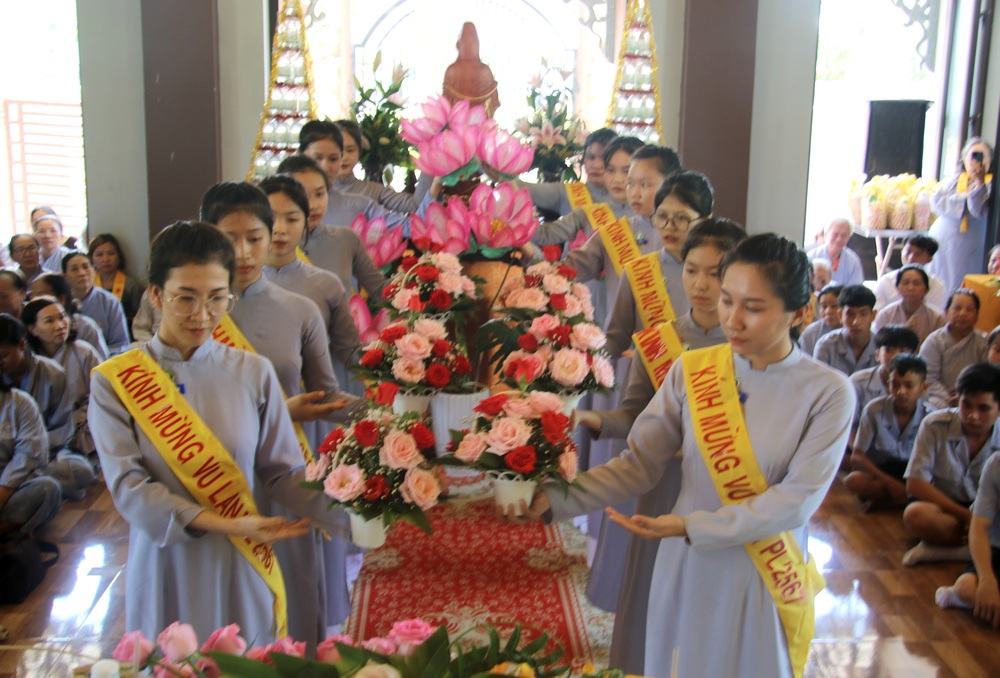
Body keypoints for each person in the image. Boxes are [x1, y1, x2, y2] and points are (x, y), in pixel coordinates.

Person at [502, 233, 854, 678]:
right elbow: (638, 464)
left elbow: (797, 500)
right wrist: (555, 499)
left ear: (799, 313)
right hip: (686, 561)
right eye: (728, 301)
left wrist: (692, 525)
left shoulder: (828, 392)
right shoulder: (694, 370)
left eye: (754, 307)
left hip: (759, 570)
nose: (733, 319)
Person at [89, 220, 348, 645]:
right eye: (185, 298)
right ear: (155, 294)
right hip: (165, 562)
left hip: (242, 558)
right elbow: (130, 489)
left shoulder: (252, 371)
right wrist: (227, 524)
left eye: (217, 298)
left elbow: (282, 472)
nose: (202, 314)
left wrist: (356, 509)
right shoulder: (116, 380)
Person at [574, 218, 746, 671]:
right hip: (665, 487)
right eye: (692, 270)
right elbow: (633, 418)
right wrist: (589, 417)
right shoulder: (660, 342)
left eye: (716, 272)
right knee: (654, 606)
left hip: (735, 491)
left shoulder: (752, 346)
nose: (701, 284)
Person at [200, 182, 355, 644]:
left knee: (289, 602)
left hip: (282, 475)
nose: (244, 252)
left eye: (255, 237)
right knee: (221, 610)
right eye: (230, 238)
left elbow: (328, 396)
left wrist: (398, 422)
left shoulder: (301, 309)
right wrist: (279, 409)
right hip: (207, 477)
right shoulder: (188, 312)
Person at [258, 174, 362, 395]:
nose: (279, 229)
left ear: (306, 221)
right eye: (270, 218)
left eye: (292, 219)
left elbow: (351, 354)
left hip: (314, 408)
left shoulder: (326, 285)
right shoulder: (231, 288)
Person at [603, 168, 710, 359]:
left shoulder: (726, 271)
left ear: (706, 219)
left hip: (706, 381)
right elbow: (615, 340)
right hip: (649, 383)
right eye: (661, 217)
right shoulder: (638, 271)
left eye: (681, 218)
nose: (669, 227)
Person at [902, 363, 1000, 566]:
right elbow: (915, 484)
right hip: (946, 509)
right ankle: (981, 549)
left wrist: (979, 520)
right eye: (967, 405)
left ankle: (951, 551)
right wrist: (966, 517)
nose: (973, 415)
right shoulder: (934, 424)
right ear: (957, 399)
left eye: (983, 408)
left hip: (988, 516)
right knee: (916, 515)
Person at [275, 154, 388, 299]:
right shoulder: (268, 246)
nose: (314, 205)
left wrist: (419, 281)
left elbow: (381, 290)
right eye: (304, 195)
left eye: (320, 194)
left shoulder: (346, 239)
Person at [847, 353, 933, 510]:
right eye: (895, 384)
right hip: (881, 471)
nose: (901, 391)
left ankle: (890, 501)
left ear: (923, 387)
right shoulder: (874, 409)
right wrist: (888, 482)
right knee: (854, 481)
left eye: (909, 385)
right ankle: (899, 500)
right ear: (888, 385)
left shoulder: (930, 418)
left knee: (929, 490)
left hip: (913, 476)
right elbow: (857, 457)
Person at [934, 449, 1000, 627]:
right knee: (965, 588)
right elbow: (979, 526)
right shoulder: (996, 464)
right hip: (998, 548)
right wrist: (987, 579)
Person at [929, 137, 994, 292]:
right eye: (973, 156)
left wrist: (979, 183)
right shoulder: (954, 180)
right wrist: (962, 199)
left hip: (971, 244)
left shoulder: (991, 183)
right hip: (944, 241)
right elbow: (936, 202)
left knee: (964, 284)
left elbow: (980, 210)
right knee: (939, 282)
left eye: (981, 156)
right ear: (964, 159)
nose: (976, 161)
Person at [0, 379, 62, 540]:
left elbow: (29, 458)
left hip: (9, 492)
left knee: (48, 489)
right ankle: (12, 532)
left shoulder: (19, 402)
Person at [328, 119, 432, 213]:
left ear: (359, 152)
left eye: (350, 150)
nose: (344, 157)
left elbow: (415, 204)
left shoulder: (373, 190)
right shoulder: (315, 191)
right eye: (337, 150)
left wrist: (431, 159)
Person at [518, 128, 618, 217]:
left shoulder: (629, 199)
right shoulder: (568, 193)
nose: (596, 165)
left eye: (604, 158)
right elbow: (524, 189)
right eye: (591, 157)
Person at [920, 289, 987, 409]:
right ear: (946, 312)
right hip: (939, 397)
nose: (963, 314)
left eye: (969, 310)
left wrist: (965, 396)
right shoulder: (934, 341)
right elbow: (928, 377)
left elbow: (986, 375)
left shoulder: (983, 341)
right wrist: (947, 398)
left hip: (974, 395)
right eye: (957, 308)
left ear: (977, 315)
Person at [849, 324, 920, 431]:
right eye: (888, 350)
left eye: (902, 351)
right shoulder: (857, 382)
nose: (895, 356)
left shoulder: (918, 383)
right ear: (877, 355)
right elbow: (848, 427)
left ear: (913, 356)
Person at [62, 251, 130, 355]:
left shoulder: (110, 302)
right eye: (74, 269)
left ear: (94, 270)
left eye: (86, 267)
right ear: (64, 276)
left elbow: (120, 344)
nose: (82, 273)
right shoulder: (60, 302)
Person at [29, 273, 110, 361]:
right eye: (31, 296)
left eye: (41, 295)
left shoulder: (84, 329)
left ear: (61, 299)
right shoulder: (29, 350)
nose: (33, 300)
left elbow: (102, 366)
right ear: (32, 329)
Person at [871, 264, 945, 346]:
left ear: (926, 290)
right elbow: (878, 344)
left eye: (916, 283)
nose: (911, 288)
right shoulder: (886, 314)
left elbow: (939, 347)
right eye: (905, 283)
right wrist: (903, 331)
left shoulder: (937, 318)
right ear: (897, 288)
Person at [813, 284, 879, 376]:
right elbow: (819, 384)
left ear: (873, 315)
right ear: (840, 315)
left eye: (863, 314)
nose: (856, 322)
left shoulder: (881, 347)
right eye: (850, 315)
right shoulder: (826, 346)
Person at [873, 235, 947, 312]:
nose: (911, 258)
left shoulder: (937, 285)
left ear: (929, 259)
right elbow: (877, 315)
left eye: (918, 254)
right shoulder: (885, 281)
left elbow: (937, 317)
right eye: (908, 252)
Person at [88, 233, 145, 334]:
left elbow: (142, 318)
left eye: (111, 253)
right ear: (91, 258)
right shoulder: (88, 285)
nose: (106, 259)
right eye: (99, 254)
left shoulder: (131, 285)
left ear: (119, 256)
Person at [442, 22, 500, 116]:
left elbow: (444, 104)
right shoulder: (485, 70)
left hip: (456, 125)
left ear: (458, 45)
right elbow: (494, 102)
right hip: (482, 125)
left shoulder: (451, 71)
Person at [809, 218, 864, 285]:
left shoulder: (853, 261)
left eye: (844, 235)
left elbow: (856, 289)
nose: (839, 239)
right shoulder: (812, 256)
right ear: (826, 235)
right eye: (835, 234)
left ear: (849, 238)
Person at [798, 283, 843, 356]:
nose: (828, 311)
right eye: (824, 307)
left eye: (834, 306)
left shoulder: (854, 330)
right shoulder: (811, 333)